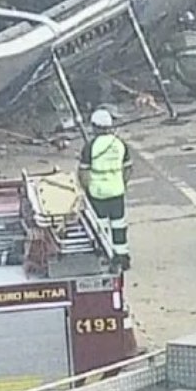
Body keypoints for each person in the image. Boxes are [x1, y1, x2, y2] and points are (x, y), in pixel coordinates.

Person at [78, 109, 132, 270]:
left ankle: (105, 256)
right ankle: (122, 256)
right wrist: (121, 183)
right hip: (117, 191)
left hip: (97, 193)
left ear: (95, 127)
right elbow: (128, 169)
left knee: (101, 226)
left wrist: (86, 189)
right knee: (119, 224)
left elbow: (83, 172)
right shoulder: (120, 144)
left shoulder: (90, 146)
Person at [158, 11, 196, 101]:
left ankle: (166, 89)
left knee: (165, 63)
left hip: (186, 71)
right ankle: (195, 86)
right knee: (192, 61)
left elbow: (164, 50)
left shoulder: (178, 37)